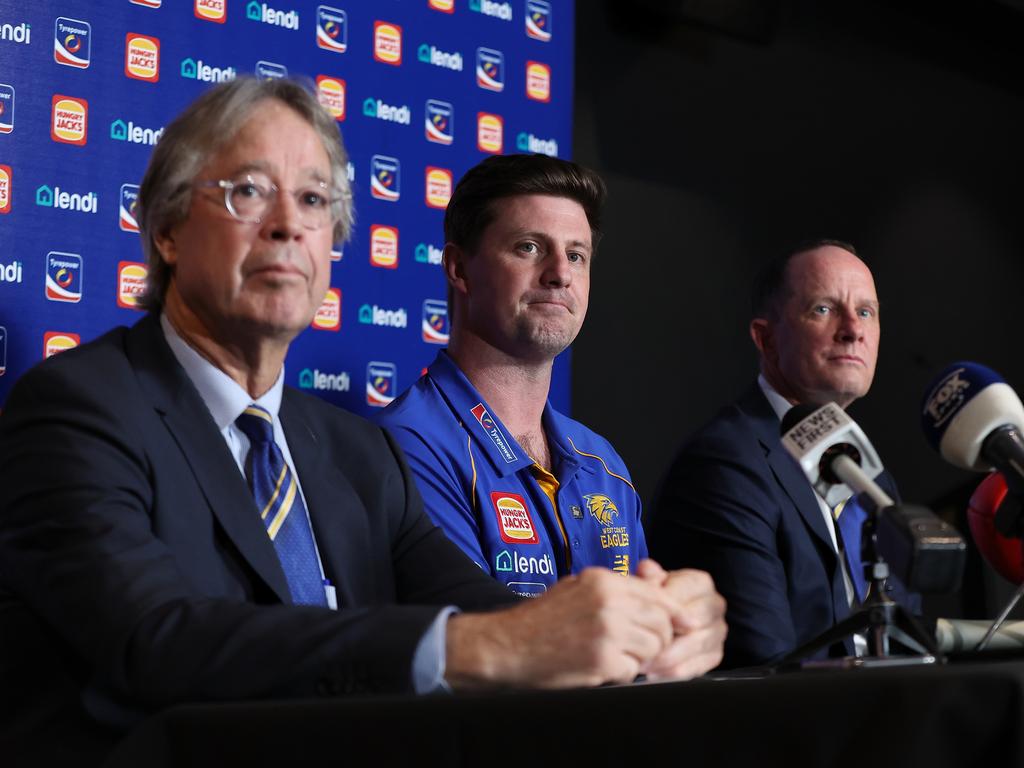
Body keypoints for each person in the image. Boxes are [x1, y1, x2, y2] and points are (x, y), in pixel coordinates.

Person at [0, 78, 726, 765]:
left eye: (314, 200)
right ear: (166, 229)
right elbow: (157, 642)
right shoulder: (78, 409)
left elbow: (491, 611)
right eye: (250, 191)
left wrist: (636, 631)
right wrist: (480, 650)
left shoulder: (357, 450)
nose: (289, 225)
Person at [378, 154, 670, 597]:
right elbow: (480, 644)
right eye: (529, 247)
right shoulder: (406, 445)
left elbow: (647, 647)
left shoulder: (604, 464)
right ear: (459, 269)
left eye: (576, 255)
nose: (560, 275)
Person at [648, 240, 918, 669]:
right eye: (824, 309)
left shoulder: (872, 478)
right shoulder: (725, 465)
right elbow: (764, 663)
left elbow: (908, 638)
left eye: (866, 311)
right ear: (766, 339)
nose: (853, 329)